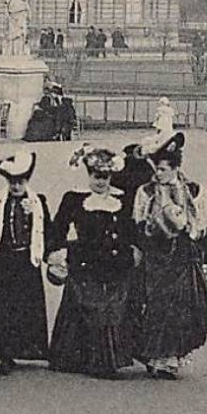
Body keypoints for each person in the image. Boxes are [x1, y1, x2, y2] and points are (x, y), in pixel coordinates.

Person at [128, 132, 207, 378]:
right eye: (157, 168)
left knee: (179, 305)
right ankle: (154, 357)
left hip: (181, 254)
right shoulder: (145, 191)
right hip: (155, 253)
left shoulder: (187, 189)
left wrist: (190, 230)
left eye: (164, 168)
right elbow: (137, 220)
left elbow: (197, 219)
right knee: (156, 304)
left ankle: (171, 358)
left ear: (175, 168)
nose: (159, 173)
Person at [47, 146, 137, 378]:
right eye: (96, 177)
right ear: (88, 175)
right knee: (88, 308)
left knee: (113, 310)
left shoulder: (122, 198)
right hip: (86, 262)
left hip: (115, 262)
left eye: (105, 177)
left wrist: (134, 250)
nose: (100, 182)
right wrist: (56, 252)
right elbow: (58, 228)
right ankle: (81, 359)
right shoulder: (74, 198)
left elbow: (130, 229)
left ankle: (109, 361)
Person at [0, 152, 52, 374]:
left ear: (27, 182)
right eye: (12, 182)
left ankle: (24, 350)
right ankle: (3, 353)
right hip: (1, 261)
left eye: (20, 182)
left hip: (26, 260)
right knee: (2, 306)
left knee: (26, 306)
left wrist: (50, 255)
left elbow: (46, 231)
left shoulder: (37, 203)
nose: (16, 186)